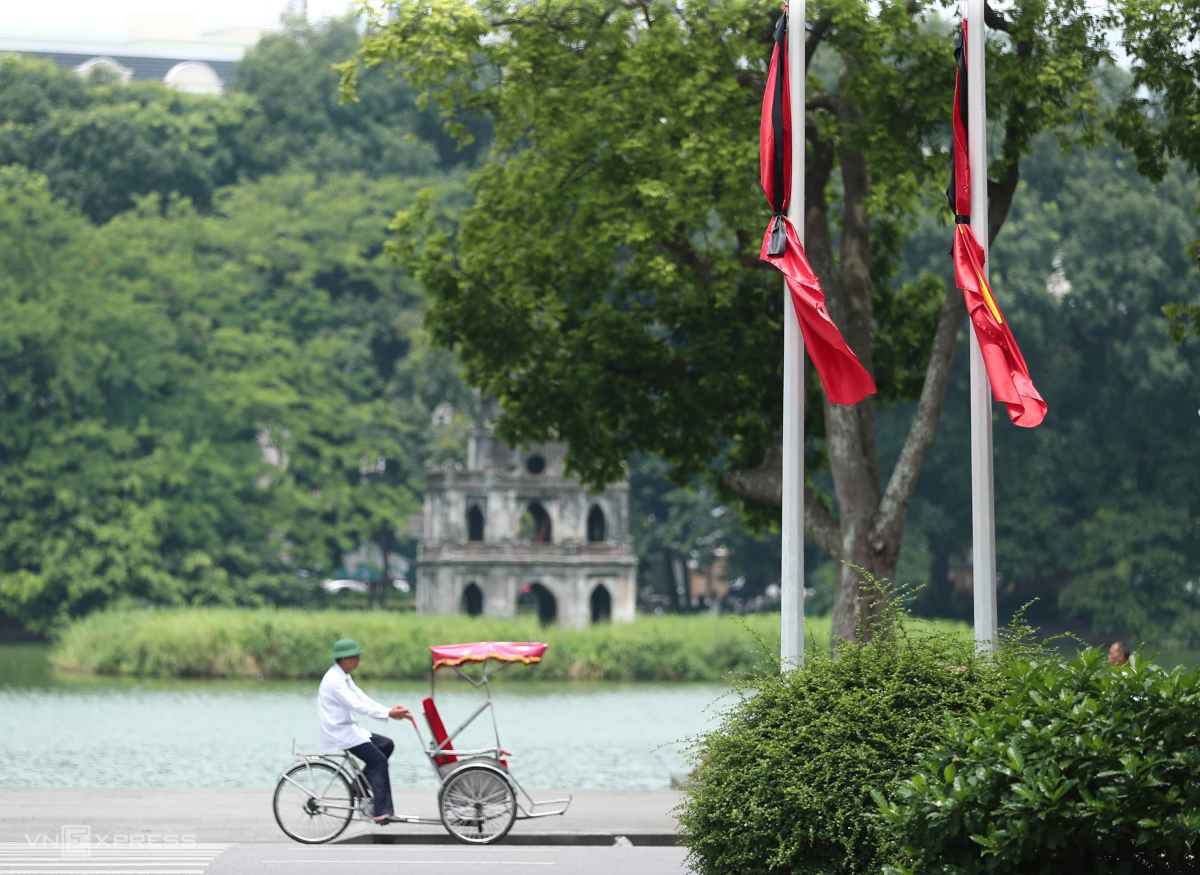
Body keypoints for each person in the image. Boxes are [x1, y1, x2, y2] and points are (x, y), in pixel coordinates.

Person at [318, 638, 412, 825]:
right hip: (340, 732)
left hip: (349, 728)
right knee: (379, 762)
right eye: (355, 657)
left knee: (386, 744)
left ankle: (357, 785)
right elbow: (357, 705)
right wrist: (389, 713)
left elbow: (363, 698)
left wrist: (388, 711)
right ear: (345, 659)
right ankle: (382, 812)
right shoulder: (335, 681)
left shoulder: (344, 677)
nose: (358, 660)